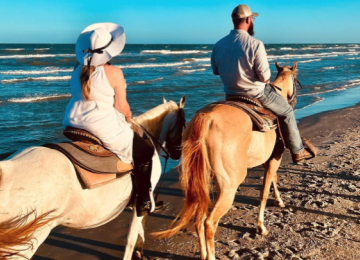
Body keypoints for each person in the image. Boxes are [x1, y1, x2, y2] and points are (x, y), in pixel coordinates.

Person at [63, 23, 163, 216]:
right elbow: (121, 106)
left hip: (73, 121)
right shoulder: (115, 72)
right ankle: (142, 201)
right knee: (145, 151)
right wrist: (128, 117)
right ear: (109, 51)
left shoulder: (77, 70)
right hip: (100, 125)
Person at [211, 5, 312, 164]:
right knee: (286, 112)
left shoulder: (219, 44)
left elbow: (216, 71)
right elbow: (265, 77)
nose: (253, 21)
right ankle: (298, 151)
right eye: (253, 19)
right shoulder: (255, 44)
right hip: (256, 93)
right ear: (248, 19)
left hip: (230, 94)